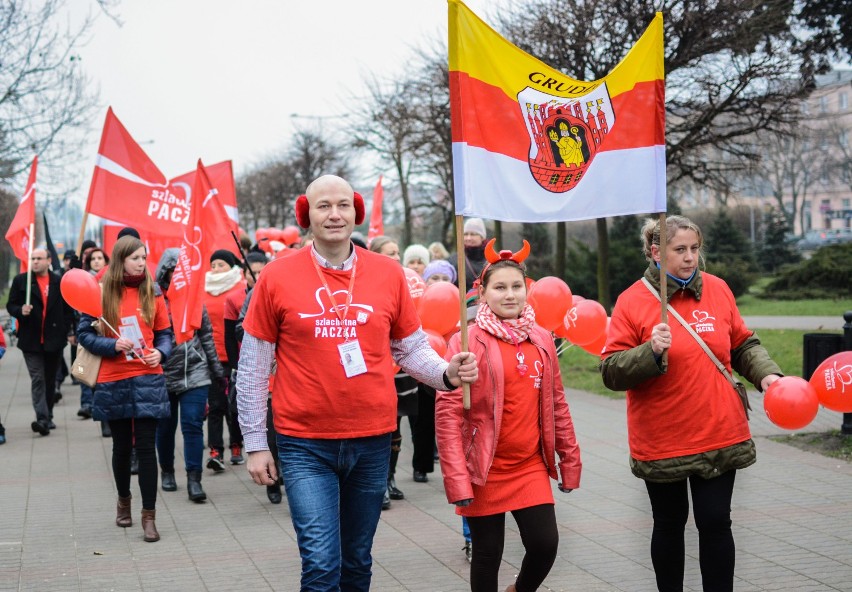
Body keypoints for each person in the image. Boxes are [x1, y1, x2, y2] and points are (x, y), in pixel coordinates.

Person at [237, 174, 478, 591]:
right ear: (306, 214)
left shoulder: (388, 274)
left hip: (372, 441)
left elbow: (410, 349)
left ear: (356, 211)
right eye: (323, 206)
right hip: (304, 443)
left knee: (356, 562)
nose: (335, 214)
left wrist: (445, 374)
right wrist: (256, 443)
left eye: (343, 205)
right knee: (321, 563)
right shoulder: (276, 277)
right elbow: (253, 367)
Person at [600, 215, 783, 592]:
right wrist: (648, 351)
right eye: (679, 250)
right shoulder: (632, 301)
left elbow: (742, 343)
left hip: (719, 429)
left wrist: (768, 375)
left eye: (694, 249)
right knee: (669, 523)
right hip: (663, 437)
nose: (689, 258)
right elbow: (611, 372)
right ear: (655, 252)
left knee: (716, 521)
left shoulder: (717, 289)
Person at [436, 239, 581, 592]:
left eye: (516, 286)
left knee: (545, 545)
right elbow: (448, 415)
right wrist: (456, 479)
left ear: (527, 290)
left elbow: (557, 404)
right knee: (488, 553)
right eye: (499, 287)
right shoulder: (466, 342)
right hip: (484, 468)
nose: (509, 294)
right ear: (482, 292)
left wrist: (570, 459)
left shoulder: (543, 339)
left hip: (529, 464)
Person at [76, 236, 173, 543]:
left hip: (148, 375)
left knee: (146, 448)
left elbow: (165, 333)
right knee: (121, 448)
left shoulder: (152, 290)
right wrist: (112, 344)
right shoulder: (100, 291)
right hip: (113, 377)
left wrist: (163, 352)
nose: (142, 263)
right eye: (135, 258)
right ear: (121, 260)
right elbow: (84, 335)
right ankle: (123, 500)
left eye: (144, 257)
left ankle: (149, 516)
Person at [155, 248, 224, 502]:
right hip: (162, 374)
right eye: (173, 272)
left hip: (195, 372)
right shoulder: (153, 299)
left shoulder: (195, 300)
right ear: (164, 273)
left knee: (193, 425)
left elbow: (206, 335)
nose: (177, 277)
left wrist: (217, 370)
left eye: (181, 273)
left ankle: (194, 479)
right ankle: (167, 472)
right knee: (165, 428)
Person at [369, 236, 417, 509]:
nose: (397, 259)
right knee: (384, 428)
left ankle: (390, 479)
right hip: (378, 366)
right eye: (390, 253)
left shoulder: (406, 282)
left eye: (398, 252)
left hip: (403, 368)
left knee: (397, 428)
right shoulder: (370, 284)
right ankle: (378, 484)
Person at [7, 248, 75, 435]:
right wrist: (21, 310)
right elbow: (10, 305)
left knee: (50, 379)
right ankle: (42, 419)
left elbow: (68, 309)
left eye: (39, 258)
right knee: (38, 378)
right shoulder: (22, 281)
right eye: (33, 258)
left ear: (48, 260)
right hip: (31, 341)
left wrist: (66, 329)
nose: (35, 262)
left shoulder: (58, 282)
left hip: (54, 340)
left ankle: (49, 415)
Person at [203, 249, 246, 470]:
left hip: (235, 355)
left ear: (232, 267)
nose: (216, 269)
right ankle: (215, 450)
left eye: (221, 264)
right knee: (216, 404)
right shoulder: (204, 289)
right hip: (212, 356)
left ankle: (236, 445)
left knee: (235, 404)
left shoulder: (240, 288)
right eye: (214, 265)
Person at [78, 247, 110, 424]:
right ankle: (87, 404)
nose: (97, 261)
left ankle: (104, 419)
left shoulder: (114, 281)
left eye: (100, 258)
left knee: (104, 383)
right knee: (86, 373)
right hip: (91, 336)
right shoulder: (85, 281)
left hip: (111, 339)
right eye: (93, 259)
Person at [451, 218, 489, 291]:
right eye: (465, 234)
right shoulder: (453, 260)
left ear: (482, 237)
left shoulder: (492, 259)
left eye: (473, 234)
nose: (468, 238)